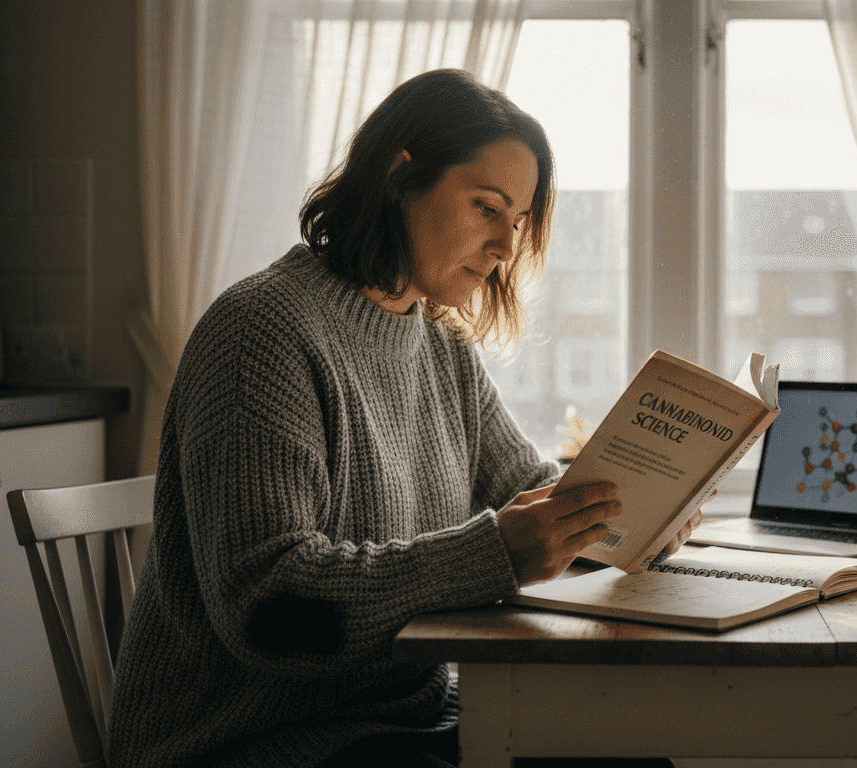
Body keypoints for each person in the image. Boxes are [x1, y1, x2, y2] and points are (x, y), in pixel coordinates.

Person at [108, 69, 693, 767]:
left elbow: (530, 491)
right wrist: (496, 556)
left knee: (638, 754)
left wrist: (644, 512)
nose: (507, 248)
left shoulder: (441, 347)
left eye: (517, 222)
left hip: (405, 718)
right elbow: (268, 608)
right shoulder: (260, 332)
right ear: (400, 177)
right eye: (487, 207)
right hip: (251, 741)